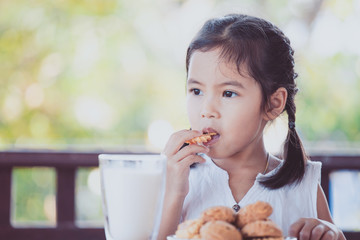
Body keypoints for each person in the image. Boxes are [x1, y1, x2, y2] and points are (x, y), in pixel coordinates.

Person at [158, 14, 346, 240]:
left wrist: (329, 233)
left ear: (273, 103)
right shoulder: (175, 178)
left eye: (228, 93)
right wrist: (174, 192)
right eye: (196, 91)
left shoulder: (302, 185)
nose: (206, 110)